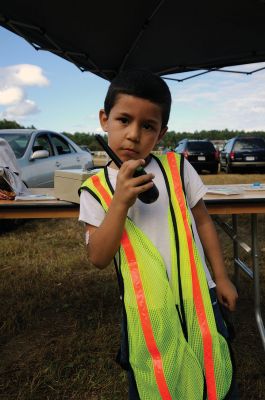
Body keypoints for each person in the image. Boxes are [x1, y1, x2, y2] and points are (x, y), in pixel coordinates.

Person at [79, 70, 238, 400]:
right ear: (104, 120)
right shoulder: (94, 190)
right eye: (123, 120)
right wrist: (120, 201)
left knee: (211, 372)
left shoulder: (177, 167)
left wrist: (221, 278)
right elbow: (98, 256)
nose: (134, 135)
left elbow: (204, 223)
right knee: (157, 379)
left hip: (198, 298)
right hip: (144, 311)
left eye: (148, 126)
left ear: (161, 132)